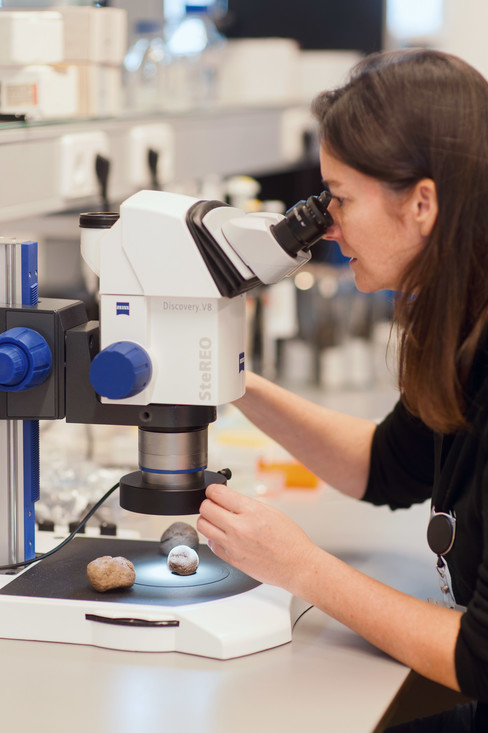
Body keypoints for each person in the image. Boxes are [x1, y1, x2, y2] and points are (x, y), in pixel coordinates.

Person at [196, 48, 488, 731]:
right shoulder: (464, 325)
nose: (326, 225)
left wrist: (301, 566)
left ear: (422, 203)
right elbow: (387, 463)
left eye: (342, 198)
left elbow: (478, 654)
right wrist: (224, 374)